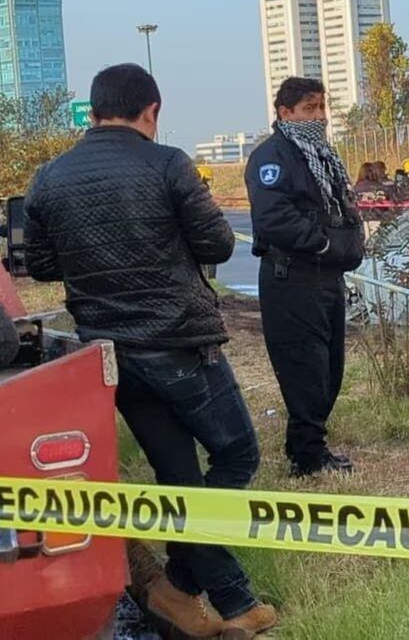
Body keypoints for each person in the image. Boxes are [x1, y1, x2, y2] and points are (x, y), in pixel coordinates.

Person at [22, 63, 275, 636]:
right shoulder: (168, 164)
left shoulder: (49, 177)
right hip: (179, 344)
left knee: (178, 472)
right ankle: (190, 588)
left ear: (94, 112)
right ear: (151, 111)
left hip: (109, 356)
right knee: (237, 453)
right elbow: (217, 243)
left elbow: (39, 264)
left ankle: (210, 599)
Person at [246, 76, 365, 476]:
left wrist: (348, 239)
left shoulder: (322, 155)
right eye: (309, 109)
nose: (319, 117)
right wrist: (324, 243)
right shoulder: (272, 157)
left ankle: (309, 446)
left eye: (321, 108)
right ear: (285, 112)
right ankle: (307, 457)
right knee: (305, 369)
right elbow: (274, 217)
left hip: (326, 278)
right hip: (292, 277)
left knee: (330, 368)